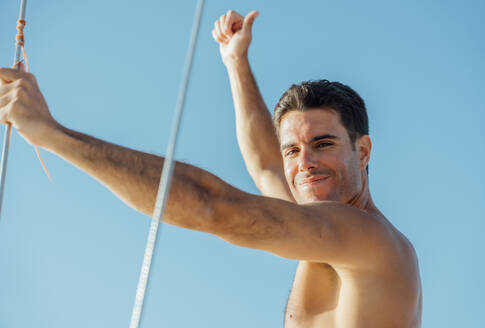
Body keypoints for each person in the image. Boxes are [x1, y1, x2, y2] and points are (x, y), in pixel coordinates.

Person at [0, 10, 421, 327]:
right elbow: (264, 164)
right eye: (293, 149)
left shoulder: (369, 239)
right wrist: (236, 63)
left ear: (362, 150)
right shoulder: (318, 228)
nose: (304, 163)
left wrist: (51, 134)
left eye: (323, 144)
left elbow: (212, 206)